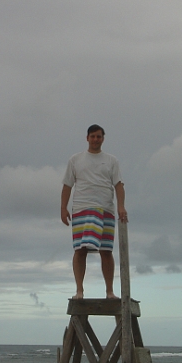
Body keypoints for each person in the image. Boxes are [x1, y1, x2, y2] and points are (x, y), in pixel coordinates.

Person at [61, 124, 128, 299]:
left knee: (106, 250)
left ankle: (109, 291)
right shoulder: (75, 159)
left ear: (103, 138)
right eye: (92, 136)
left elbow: (119, 185)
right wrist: (63, 208)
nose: (95, 139)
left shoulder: (112, 160)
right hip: (81, 208)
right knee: (80, 249)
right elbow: (67, 185)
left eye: (99, 136)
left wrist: (121, 206)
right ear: (87, 138)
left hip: (105, 208)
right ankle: (79, 291)